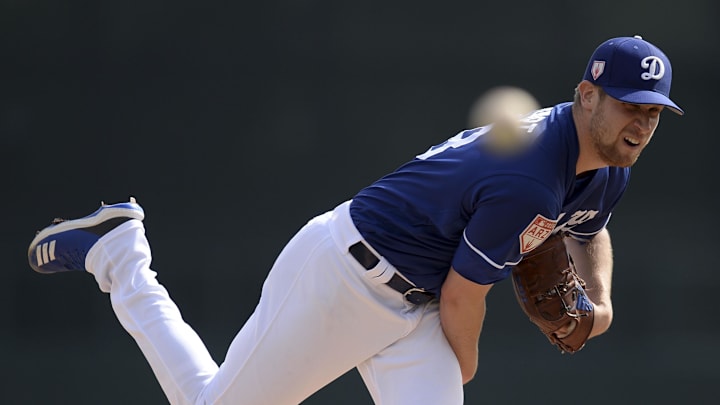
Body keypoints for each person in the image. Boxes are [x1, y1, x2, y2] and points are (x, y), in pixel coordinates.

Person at [28, 35, 683, 405]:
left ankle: (119, 254)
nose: (641, 123)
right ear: (587, 94)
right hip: (343, 276)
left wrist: (599, 302)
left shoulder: (610, 161)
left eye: (653, 112)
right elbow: (464, 298)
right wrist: (466, 366)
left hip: (415, 303)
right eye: (630, 105)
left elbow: (588, 228)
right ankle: (121, 256)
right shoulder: (529, 180)